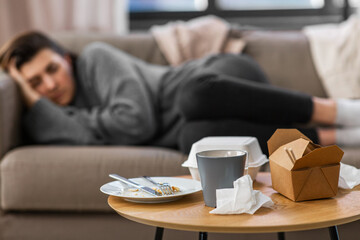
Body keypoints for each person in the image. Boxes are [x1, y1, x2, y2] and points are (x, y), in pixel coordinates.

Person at [0, 31, 358, 155]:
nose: (50, 85)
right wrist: (32, 103)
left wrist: (91, 124)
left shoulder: (95, 58)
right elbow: (50, 126)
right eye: (34, 85)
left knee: (192, 98)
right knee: (194, 140)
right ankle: (339, 137)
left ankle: (340, 111)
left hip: (215, 81)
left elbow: (136, 123)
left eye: (51, 70)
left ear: (65, 59)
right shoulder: (50, 118)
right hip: (187, 125)